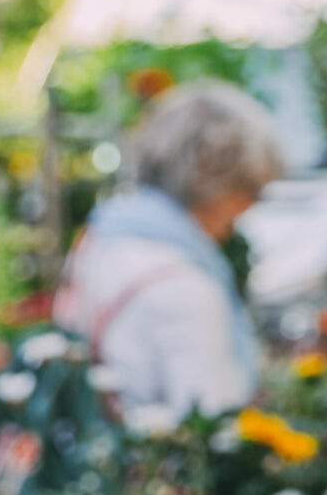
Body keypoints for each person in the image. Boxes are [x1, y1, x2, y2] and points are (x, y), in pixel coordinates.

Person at [56, 82, 284, 418]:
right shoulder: (184, 286)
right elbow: (214, 426)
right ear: (217, 179)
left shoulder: (102, 238)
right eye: (250, 191)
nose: (247, 210)